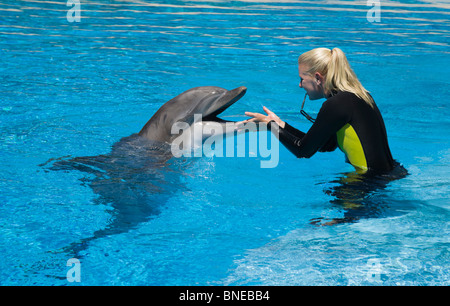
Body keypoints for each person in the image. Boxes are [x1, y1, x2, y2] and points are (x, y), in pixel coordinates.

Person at [244, 47, 400, 174]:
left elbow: (303, 151)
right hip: (389, 173)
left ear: (318, 78)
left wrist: (271, 126)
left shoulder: (336, 104)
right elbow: (325, 144)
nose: (300, 85)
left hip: (370, 183)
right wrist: (281, 124)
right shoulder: (357, 96)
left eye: (302, 79)